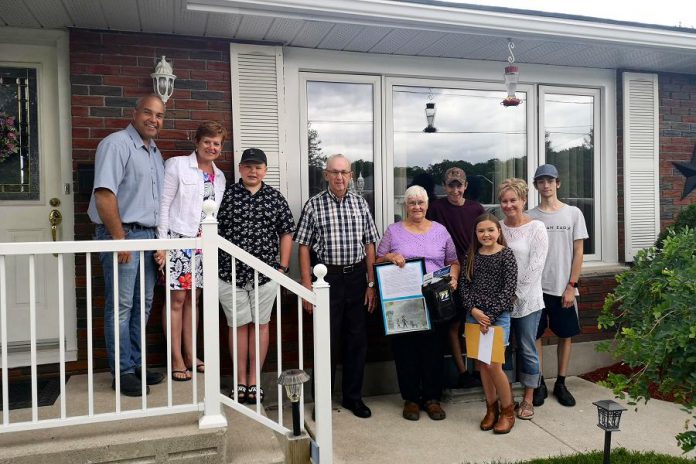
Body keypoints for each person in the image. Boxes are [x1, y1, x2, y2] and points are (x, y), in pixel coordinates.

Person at [87, 95, 166, 396]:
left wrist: (159, 242)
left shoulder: (154, 152)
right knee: (121, 306)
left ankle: (136, 364)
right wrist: (119, 239)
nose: (153, 119)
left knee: (142, 305)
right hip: (122, 235)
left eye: (159, 115)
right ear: (134, 114)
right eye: (148, 112)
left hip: (147, 238)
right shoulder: (116, 144)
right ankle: (122, 371)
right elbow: (104, 195)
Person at [294, 153, 379, 419]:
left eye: (344, 172)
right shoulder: (313, 205)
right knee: (325, 341)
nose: (340, 177)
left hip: (356, 279)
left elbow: (370, 245)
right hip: (326, 280)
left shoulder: (361, 203)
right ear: (326, 175)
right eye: (335, 172)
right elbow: (304, 247)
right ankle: (321, 401)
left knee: (357, 341)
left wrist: (370, 283)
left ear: (351, 176)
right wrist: (307, 287)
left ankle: (353, 398)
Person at [217, 148, 294, 404]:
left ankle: (255, 381)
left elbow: (286, 232)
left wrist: (282, 268)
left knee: (261, 326)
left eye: (258, 167)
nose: (253, 171)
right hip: (230, 274)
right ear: (240, 169)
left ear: (265, 170)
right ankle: (240, 380)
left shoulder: (275, 198)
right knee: (238, 326)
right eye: (248, 166)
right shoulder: (226, 197)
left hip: (266, 276)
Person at [377, 185, 460, 421]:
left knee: (433, 350)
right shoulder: (393, 231)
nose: (416, 207)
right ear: (405, 205)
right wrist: (390, 257)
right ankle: (411, 399)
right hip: (404, 299)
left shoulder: (441, 231)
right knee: (406, 351)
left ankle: (432, 399)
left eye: (420, 202)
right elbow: (377, 260)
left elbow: (453, 261)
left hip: (434, 301)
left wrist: (453, 277)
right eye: (412, 202)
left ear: (427, 205)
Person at [155, 121, 227, 381]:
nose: (211, 147)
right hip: (178, 241)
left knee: (194, 300)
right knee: (176, 300)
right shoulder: (177, 165)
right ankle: (175, 358)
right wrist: (162, 244)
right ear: (196, 142)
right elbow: (163, 205)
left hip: (202, 246)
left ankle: (190, 354)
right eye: (207, 141)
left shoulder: (219, 177)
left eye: (216, 143)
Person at [528, 164, 589, 407]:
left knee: (566, 335)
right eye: (541, 181)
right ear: (536, 186)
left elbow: (579, 252)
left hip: (564, 287)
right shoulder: (530, 216)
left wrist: (571, 285)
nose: (546, 185)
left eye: (550, 180)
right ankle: (539, 382)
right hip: (537, 289)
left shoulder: (573, 213)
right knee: (536, 336)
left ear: (558, 183)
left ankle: (561, 383)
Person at [426, 167, 485, 388]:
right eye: (451, 185)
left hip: (475, 274)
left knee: (476, 321)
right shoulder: (436, 209)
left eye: (459, 185)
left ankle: (479, 370)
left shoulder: (475, 209)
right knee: (453, 323)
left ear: (465, 186)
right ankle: (462, 372)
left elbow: (485, 237)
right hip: (449, 275)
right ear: (445, 186)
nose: (456, 189)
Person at [459, 213, 518, 434]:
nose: (486, 234)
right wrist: (474, 311)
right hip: (474, 316)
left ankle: (507, 411)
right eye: (481, 230)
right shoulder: (472, 255)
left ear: (498, 232)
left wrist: (489, 317)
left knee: (494, 365)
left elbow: (508, 291)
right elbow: (465, 287)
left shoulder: (507, 255)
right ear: (476, 234)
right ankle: (490, 409)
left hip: (497, 317)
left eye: (491, 230)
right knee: (482, 364)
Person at [499, 178, 548, 420]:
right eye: (504, 201)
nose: (508, 205)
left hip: (528, 300)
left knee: (528, 348)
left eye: (513, 200)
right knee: (503, 350)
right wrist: (502, 298)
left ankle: (528, 398)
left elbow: (536, 266)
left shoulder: (536, 228)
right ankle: (507, 398)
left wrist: (515, 294)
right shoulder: (497, 227)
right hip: (502, 302)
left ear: (523, 200)